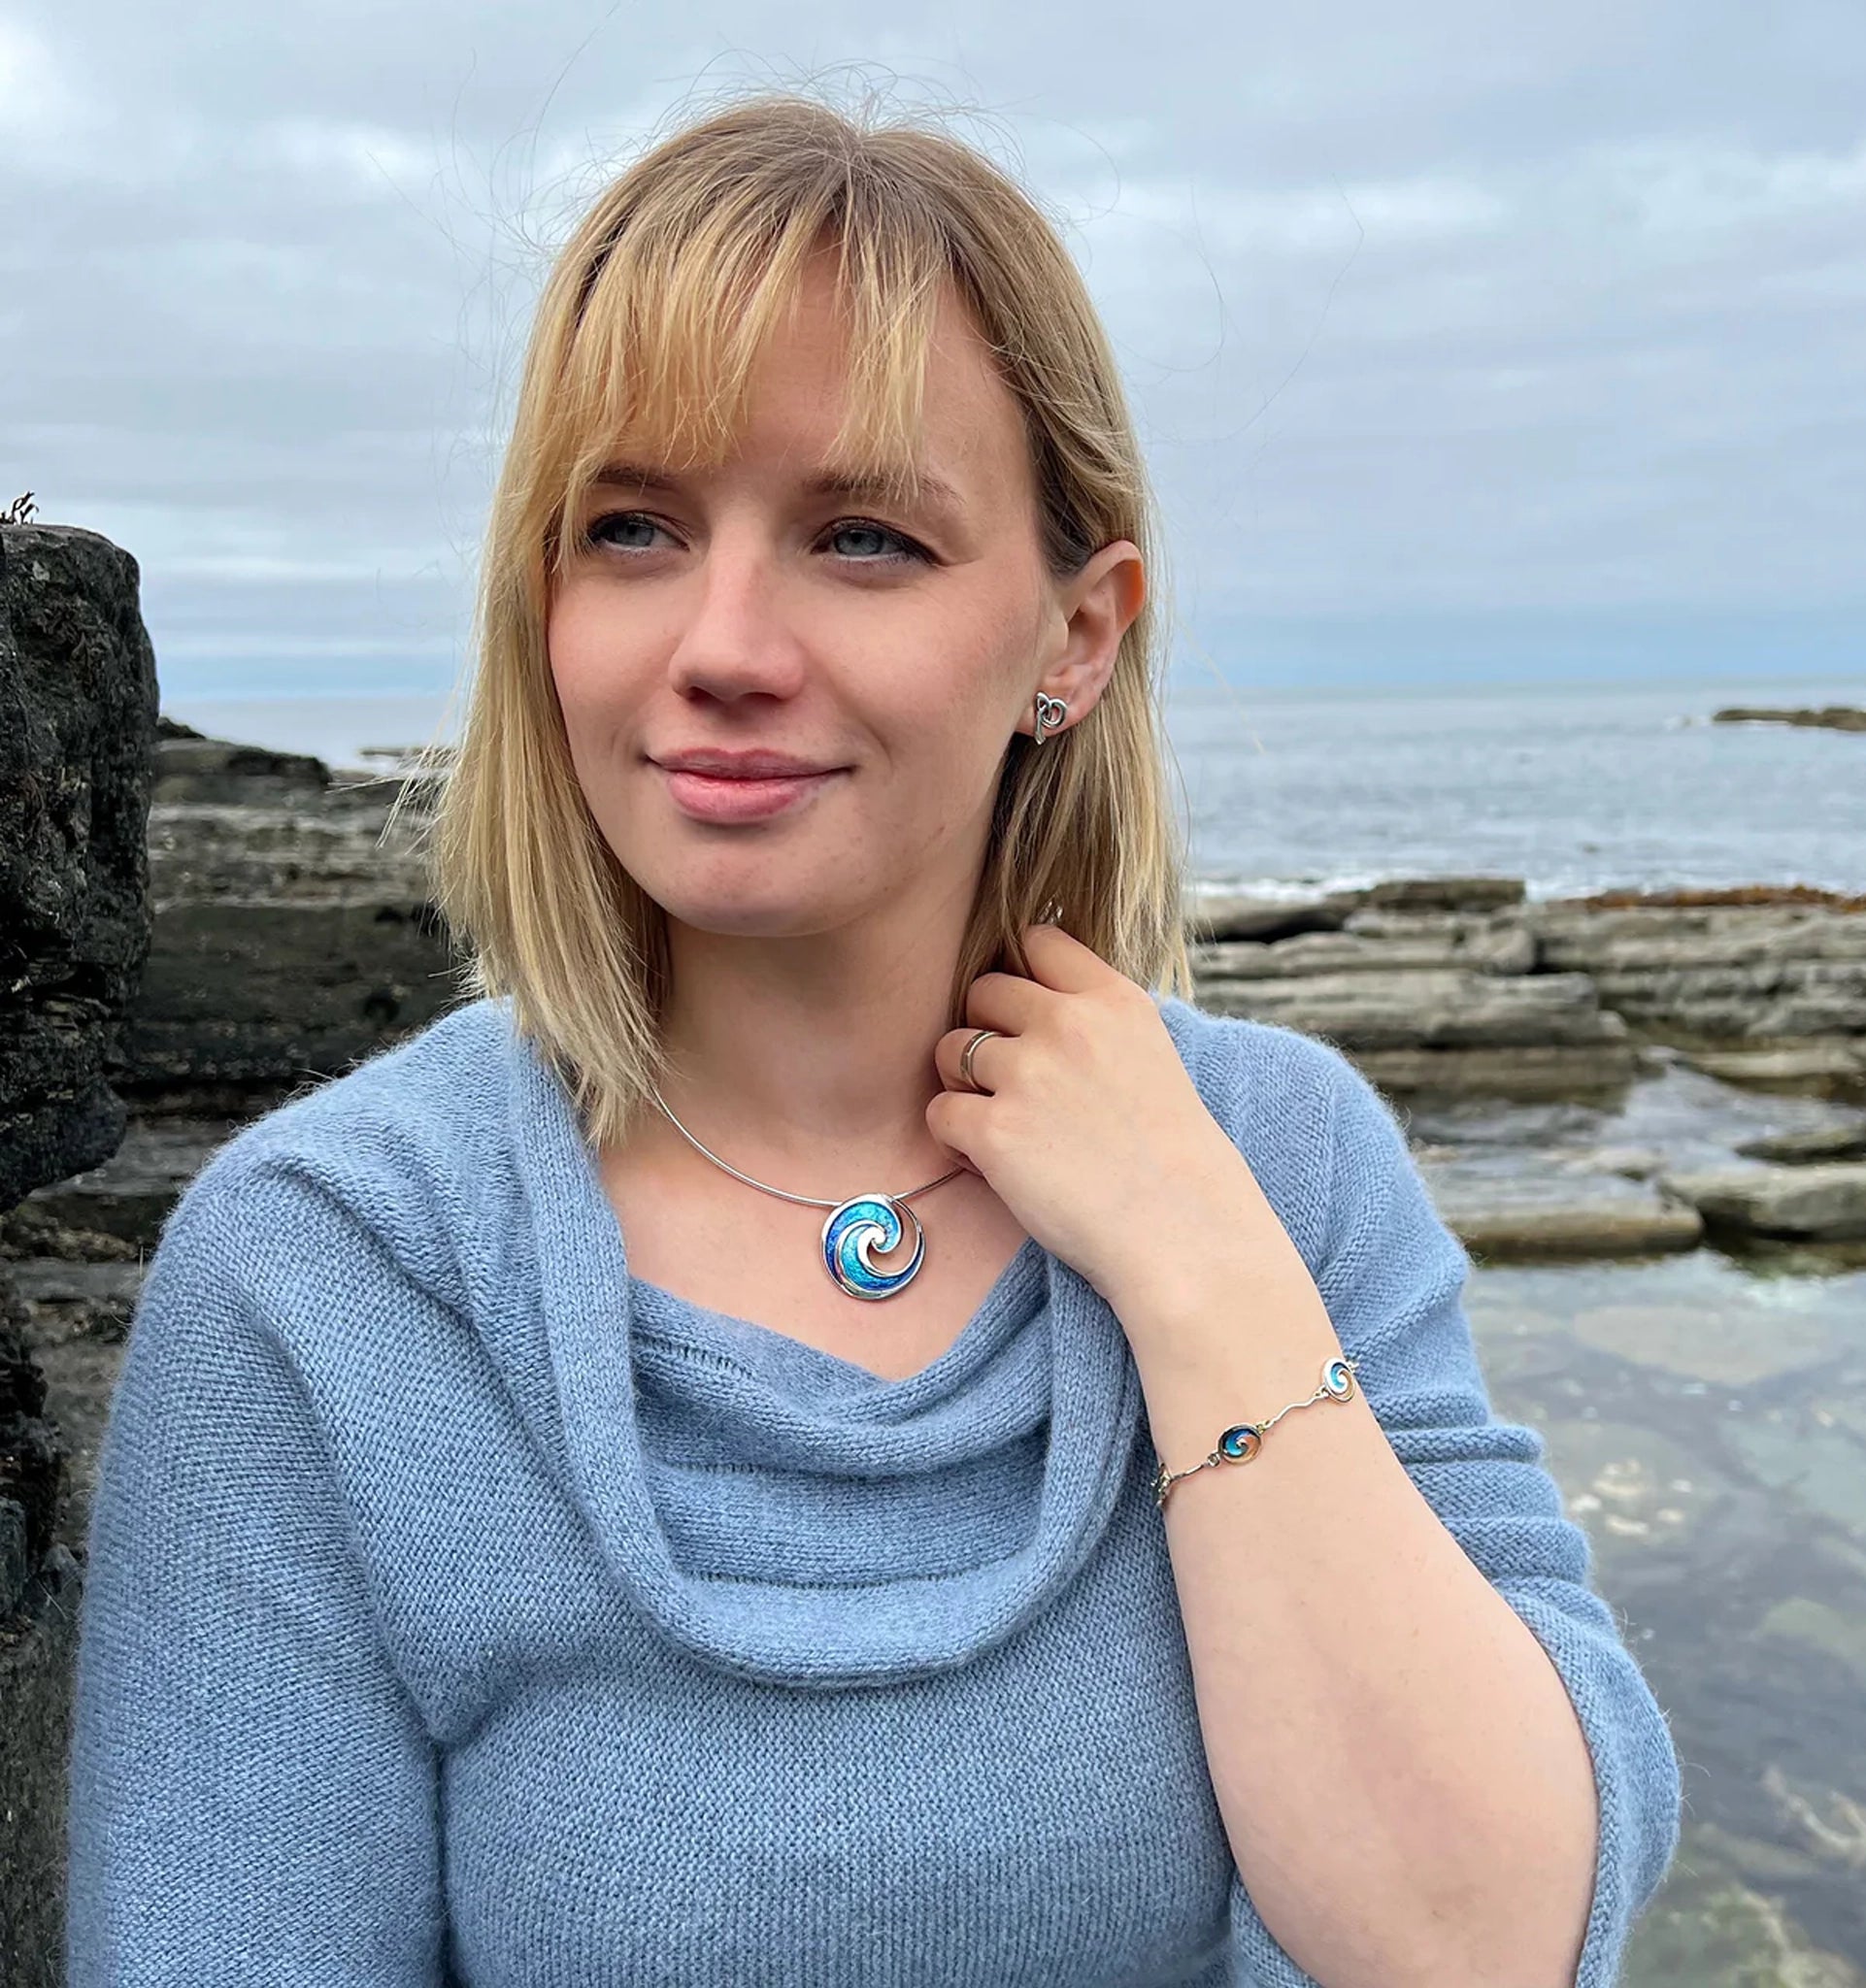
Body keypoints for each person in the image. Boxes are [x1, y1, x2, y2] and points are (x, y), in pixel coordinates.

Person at [65, 90, 1682, 1988]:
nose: (725, 640)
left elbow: (1481, 1940)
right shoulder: (329, 1268)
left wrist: (1196, 1264)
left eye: (861, 536)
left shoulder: (1282, 1160)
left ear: (1075, 634)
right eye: (635, 527)